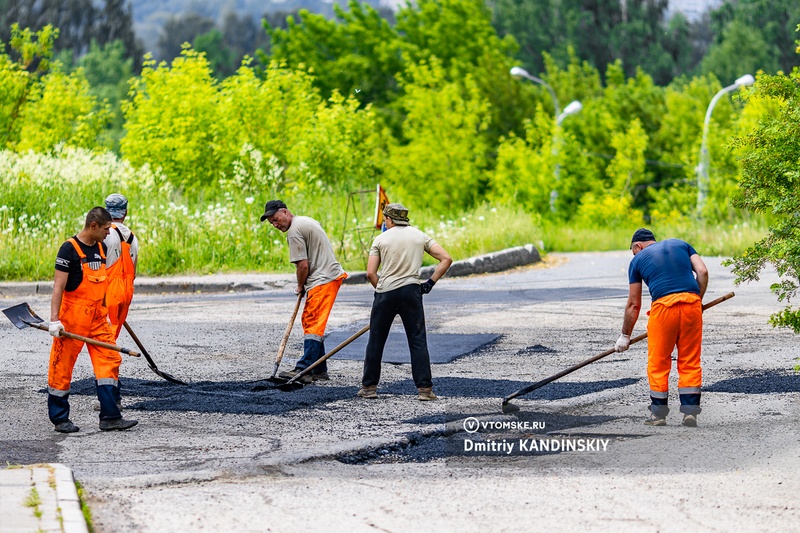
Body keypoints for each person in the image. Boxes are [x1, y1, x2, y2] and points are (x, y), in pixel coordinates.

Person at [48, 207, 138, 433]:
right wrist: (54, 320)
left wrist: (109, 307)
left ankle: (110, 417)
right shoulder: (69, 249)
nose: (110, 233)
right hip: (73, 318)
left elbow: (104, 282)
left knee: (109, 360)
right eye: (107, 228)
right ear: (94, 226)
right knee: (62, 366)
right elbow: (58, 287)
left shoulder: (102, 248)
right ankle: (60, 419)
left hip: (98, 318)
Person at [358, 203, 452, 401]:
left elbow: (370, 273)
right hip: (411, 292)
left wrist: (381, 290)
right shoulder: (419, 236)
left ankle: (369, 388)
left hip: (385, 293)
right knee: (417, 340)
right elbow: (446, 259)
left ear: (389, 220)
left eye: (385, 219)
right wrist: (429, 284)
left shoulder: (380, 239)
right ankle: (425, 391)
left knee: (376, 340)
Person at [615, 228, 709, 427]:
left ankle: (658, 415)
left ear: (638, 246)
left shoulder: (637, 261)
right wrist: (696, 301)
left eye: (634, 252)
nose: (635, 256)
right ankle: (690, 413)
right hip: (691, 305)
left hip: (663, 309)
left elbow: (633, 304)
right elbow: (702, 271)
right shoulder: (681, 244)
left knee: (658, 362)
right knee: (690, 360)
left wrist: (625, 335)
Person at [261, 200, 348, 383]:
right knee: (312, 322)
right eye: (272, 223)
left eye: (277, 219)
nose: (276, 225)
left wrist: (300, 286)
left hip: (323, 279)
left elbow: (302, 265)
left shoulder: (294, 231)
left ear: (285, 212)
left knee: (313, 322)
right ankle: (319, 370)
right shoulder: (305, 221)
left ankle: (305, 369)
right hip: (326, 276)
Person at [103, 193, 139, 340]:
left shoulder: (104, 234)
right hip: (126, 292)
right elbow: (133, 272)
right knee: (112, 335)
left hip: (108, 290)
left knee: (103, 337)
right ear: (125, 212)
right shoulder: (132, 237)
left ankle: (109, 362)